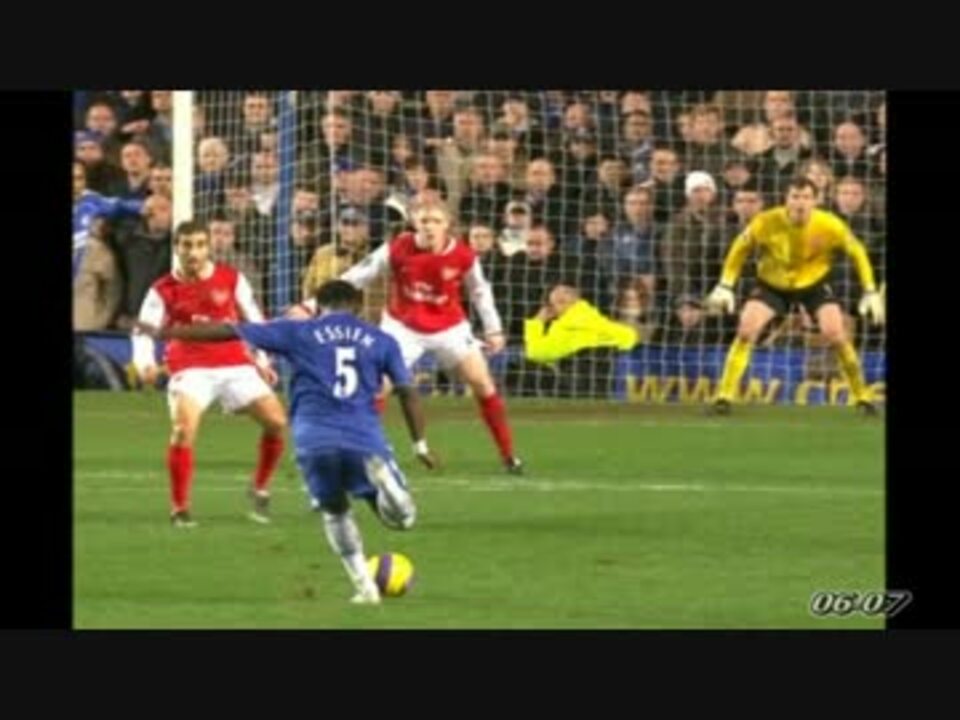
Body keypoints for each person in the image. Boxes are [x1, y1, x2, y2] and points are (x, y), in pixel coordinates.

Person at [138, 280, 435, 605]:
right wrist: (419, 443)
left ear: (317, 307)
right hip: (363, 437)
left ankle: (365, 589)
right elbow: (407, 393)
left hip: (313, 440)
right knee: (403, 520)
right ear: (359, 305)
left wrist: (169, 333)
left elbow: (228, 330)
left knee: (335, 512)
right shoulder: (382, 340)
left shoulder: (298, 331)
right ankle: (386, 484)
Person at [291, 201, 523, 474]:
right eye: (423, 221)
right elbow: (355, 277)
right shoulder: (397, 248)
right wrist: (311, 305)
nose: (429, 227)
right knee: (378, 387)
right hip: (402, 327)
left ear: (447, 225)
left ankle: (509, 455)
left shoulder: (464, 256)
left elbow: (480, 292)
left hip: (449, 327)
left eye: (435, 221)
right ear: (414, 223)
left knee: (482, 383)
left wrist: (493, 329)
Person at [131, 220, 288, 527]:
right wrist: (144, 363)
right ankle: (180, 508)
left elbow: (254, 320)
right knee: (183, 430)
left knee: (277, 422)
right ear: (176, 247)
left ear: (208, 247)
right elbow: (143, 331)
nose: (193, 252)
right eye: (187, 245)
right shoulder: (163, 289)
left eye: (200, 245)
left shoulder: (231, 278)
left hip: (235, 363)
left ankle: (259, 487)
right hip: (190, 367)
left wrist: (263, 360)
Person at [705, 177, 884, 415]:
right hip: (772, 285)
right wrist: (725, 284)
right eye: (795, 197)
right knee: (747, 330)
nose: (801, 202)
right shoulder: (765, 221)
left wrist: (870, 290)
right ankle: (724, 397)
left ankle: (862, 397)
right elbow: (740, 248)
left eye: (807, 197)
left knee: (836, 334)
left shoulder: (830, 225)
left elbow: (858, 252)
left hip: (814, 284)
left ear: (816, 200)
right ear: (786, 199)